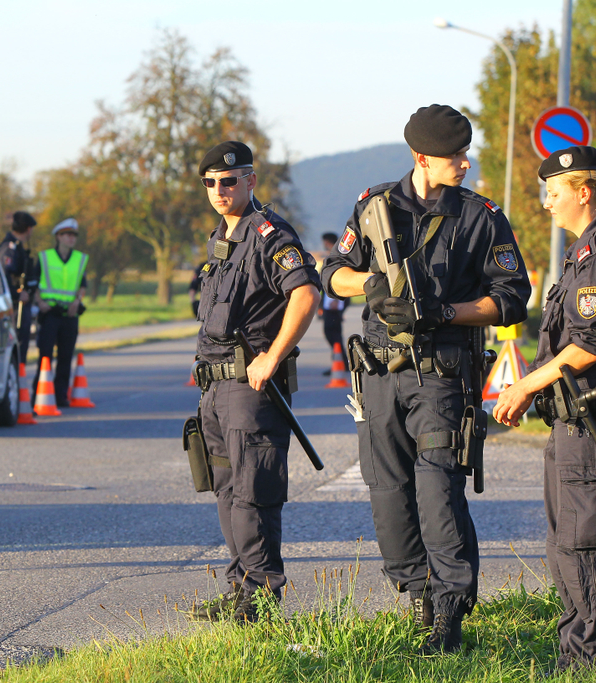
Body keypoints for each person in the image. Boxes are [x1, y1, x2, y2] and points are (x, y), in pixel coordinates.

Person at [320, 104, 531, 654]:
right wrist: (369, 286)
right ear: (422, 159)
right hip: (379, 375)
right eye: (453, 157)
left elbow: (512, 298)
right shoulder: (375, 205)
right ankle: (417, 593)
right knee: (388, 493)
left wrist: (442, 312)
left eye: (465, 153)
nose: (464, 163)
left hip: (442, 375)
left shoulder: (482, 216)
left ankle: (450, 609)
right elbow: (332, 273)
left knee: (438, 490)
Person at [493, 146, 596, 675]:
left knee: (584, 542)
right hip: (576, 414)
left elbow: (589, 344)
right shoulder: (588, 249)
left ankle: (592, 660)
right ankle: (577, 651)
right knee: (566, 542)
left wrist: (524, 387)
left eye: (553, 192)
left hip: (591, 415)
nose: (545, 203)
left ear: (583, 192)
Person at [188, 141, 321, 623]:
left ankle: (262, 598)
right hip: (217, 388)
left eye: (229, 181)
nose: (219, 191)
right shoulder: (220, 240)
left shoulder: (269, 234)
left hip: (252, 390)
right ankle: (240, 589)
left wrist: (273, 356)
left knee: (252, 492)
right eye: (210, 183)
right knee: (226, 491)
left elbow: (305, 295)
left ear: (250, 181)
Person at [31, 218, 88, 407]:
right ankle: (38, 393)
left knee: (65, 356)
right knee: (45, 355)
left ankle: (60, 395)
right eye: (67, 235)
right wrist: (40, 302)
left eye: (73, 236)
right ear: (58, 237)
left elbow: (82, 285)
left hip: (69, 315)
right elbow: (34, 283)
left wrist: (77, 302)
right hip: (50, 314)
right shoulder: (45, 257)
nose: (71, 239)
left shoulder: (79, 259)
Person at [0, 211, 37, 363]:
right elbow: (3, 275)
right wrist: (17, 294)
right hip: (15, 307)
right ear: (27, 228)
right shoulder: (10, 248)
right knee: (17, 345)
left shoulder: (17, 247)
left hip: (20, 304)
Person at [318, 232, 349, 375]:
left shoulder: (340, 259)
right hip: (328, 307)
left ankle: (341, 363)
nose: (324, 246)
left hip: (334, 307)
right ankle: (339, 362)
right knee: (332, 335)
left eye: (326, 243)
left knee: (334, 336)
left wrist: (340, 303)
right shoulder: (329, 259)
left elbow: (343, 282)